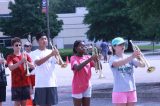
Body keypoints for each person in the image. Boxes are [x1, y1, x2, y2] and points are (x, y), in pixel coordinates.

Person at [109, 37, 145, 106]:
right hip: (120, 90)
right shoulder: (112, 58)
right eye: (120, 45)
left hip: (132, 89)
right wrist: (132, 56)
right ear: (114, 47)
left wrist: (140, 57)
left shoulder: (129, 57)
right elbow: (117, 64)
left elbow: (142, 65)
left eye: (123, 44)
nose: (122, 46)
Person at [31, 32, 60, 106]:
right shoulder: (34, 53)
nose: (44, 40)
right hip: (41, 84)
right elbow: (38, 63)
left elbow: (59, 63)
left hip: (51, 83)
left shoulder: (51, 51)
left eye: (45, 39)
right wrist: (51, 55)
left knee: (50, 104)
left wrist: (57, 55)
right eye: (42, 39)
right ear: (37, 41)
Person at [7, 37, 34, 106]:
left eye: (19, 45)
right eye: (16, 45)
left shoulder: (26, 55)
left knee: (24, 103)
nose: (18, 47)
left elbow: (33, 66)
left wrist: (26, 62)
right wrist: (21, 61)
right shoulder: (10, 56)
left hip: (26, 83)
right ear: (12, 46)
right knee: (17, 104)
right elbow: (11, 68)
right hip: (16, 84)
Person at [70, 40, 99, 106]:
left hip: (87, 85)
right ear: (76, 48)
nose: (83, 47)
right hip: (77, 86)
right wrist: (90, 59)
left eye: (84, 46)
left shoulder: (88, 57)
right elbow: (77, 68)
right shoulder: (73, 58)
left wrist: (97, 60)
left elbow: (98, 67)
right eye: (81, 46)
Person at [24, 41, 35, 105]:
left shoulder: (34, 53)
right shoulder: (23, 54)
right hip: (27, 74)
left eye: (28, 46)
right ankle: (32, 102)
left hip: (34, 73)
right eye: (26, 46)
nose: (27, 47)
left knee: (35, 88)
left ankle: (35, 101)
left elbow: (34, 64)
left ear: (31, 46)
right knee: (30, 89)